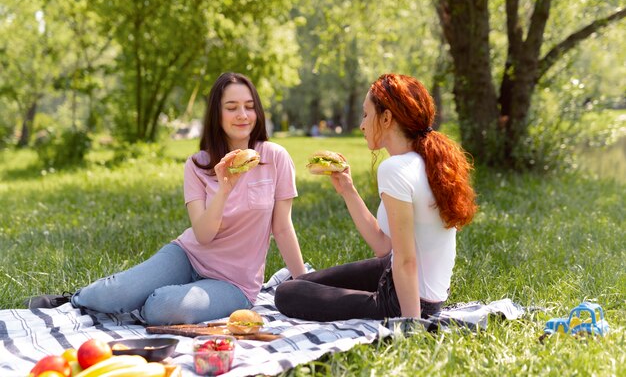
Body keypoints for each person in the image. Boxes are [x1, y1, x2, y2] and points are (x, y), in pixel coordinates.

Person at [26, 72, 307, 325]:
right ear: (216, 115)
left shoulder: (275, 158)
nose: (243, 115)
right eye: (231, 108)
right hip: (188, 256)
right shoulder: (197, 165)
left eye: (249, 106)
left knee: (162, 307)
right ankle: (75, 299)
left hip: (234, 283)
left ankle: (140, 307)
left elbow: (282, 228)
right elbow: (204, 235)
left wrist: (307, 284)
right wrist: (224, 188)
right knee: (114, 292)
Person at [275, 73, 477, 321]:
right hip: (412, 285)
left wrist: (411, 326)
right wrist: (348, 190)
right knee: (304, 281)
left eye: (365, 114)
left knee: (287, 292)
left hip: (404, 300)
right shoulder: (430, 162)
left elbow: (406, 261)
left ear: (386, 117)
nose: (362, 125)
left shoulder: (395, 169)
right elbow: (384, 246)